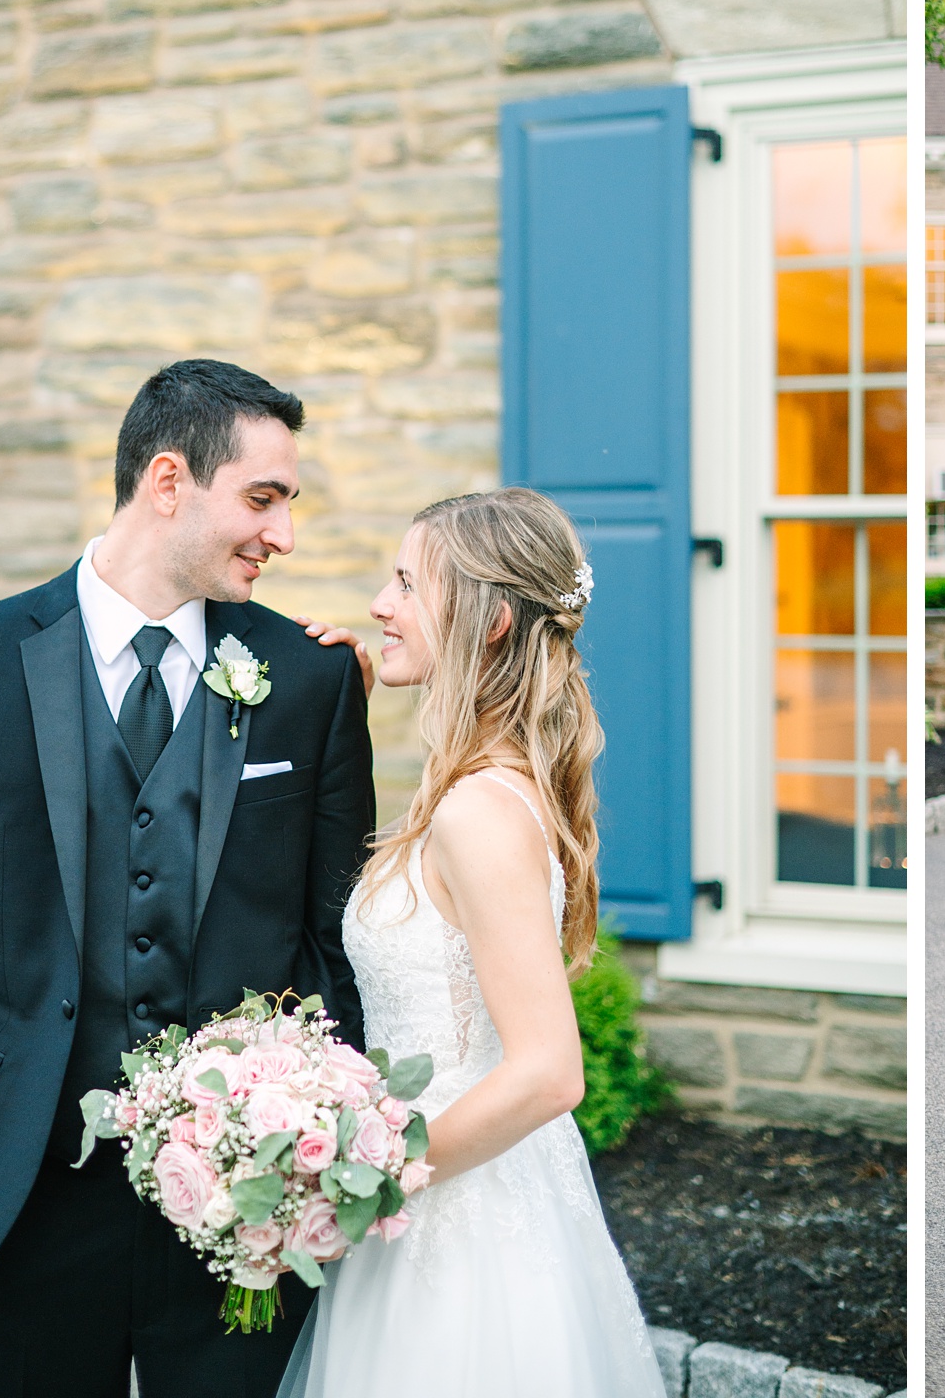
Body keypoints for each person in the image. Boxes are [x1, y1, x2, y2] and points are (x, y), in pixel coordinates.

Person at [0, 359, 376, 1395]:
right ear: (171, 480)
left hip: (239, 1215)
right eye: (263, 498)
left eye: (289, 504)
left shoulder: (312, 678)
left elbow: (336, 944)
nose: (284, 534)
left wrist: (311, 1160)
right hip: (15, 1201)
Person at [278, 489, 664, 1396]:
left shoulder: (480, 812)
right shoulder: (476, 786)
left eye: (409, 583)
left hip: (457, 1216)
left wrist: (373, 1179)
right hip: (447, 1184)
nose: (379, 603)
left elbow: (548, 1072)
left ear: (490, 619)